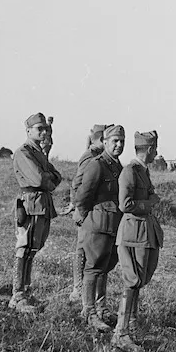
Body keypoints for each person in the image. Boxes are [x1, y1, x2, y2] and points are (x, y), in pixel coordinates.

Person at [112, 130, 164, 352]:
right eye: (155, 149)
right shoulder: (130, 172)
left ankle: (131, 324)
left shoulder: (143, 171)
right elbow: (125, 204)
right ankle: (120, 334)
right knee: (131, 281)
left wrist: (150, 200)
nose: (156, 153)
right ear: (150, 150)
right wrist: (148, 203)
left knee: (138, 280)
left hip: (142, 232)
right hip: (133, 232)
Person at [9, 112, 62, 312]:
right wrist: (48, 177)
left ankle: (26, 292)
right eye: (39, 129)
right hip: (30, 204)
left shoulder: (38, 152)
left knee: (33, 249)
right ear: (28, 131)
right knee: (24, 248)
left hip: (41, 204)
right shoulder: (23, 152)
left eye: (45, 129)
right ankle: (17, 295)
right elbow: (40, 180)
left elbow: (56, 176)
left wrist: (48, 177)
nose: (43, 132)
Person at [74, 124, 125, 332]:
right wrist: (87, 219)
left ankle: (101, 307)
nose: (119, 145)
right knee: (93, 268)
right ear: (104, 142)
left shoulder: (117, 166)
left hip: (112, 225)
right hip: (97, 225)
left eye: (122, 141)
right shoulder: (97, 164)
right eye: (115, 141)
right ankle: (89, 311)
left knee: (104, 267)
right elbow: (83, 195)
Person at [64, 124, 107, 303]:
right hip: (87, 210)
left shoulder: (98, 155)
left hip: (93, 210)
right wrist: (78, 207)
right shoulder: (91, 155)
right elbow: (78, 182)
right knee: (82, 249)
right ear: (102, 139)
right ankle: (77, 289)